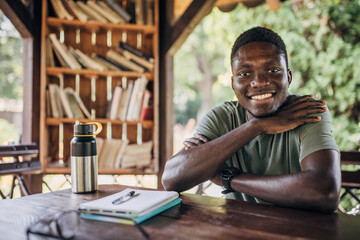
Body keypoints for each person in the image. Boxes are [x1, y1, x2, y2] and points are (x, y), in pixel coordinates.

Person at [162, 26, 341, 213]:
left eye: (272, 70)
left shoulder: (306, 110)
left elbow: (324, 192)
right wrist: (256, 126)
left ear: (288, 77)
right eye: (245, 74)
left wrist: (231, 179)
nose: (260, 82)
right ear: (233, 83)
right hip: (242, 228)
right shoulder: (221, 117)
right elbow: (171, 179)